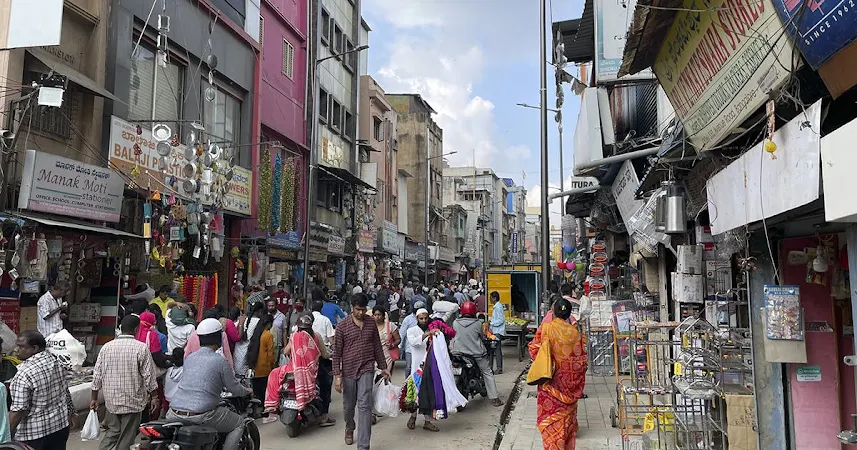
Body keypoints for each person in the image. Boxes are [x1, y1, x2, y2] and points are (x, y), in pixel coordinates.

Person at [166, 319, 252, 450]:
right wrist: (247, 391)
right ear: (218, 338)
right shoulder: (220, 361)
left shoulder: (190, 358)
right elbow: (233, 387)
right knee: (239, 423)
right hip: (202, 415)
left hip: (173, 412)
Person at [91, 315, 159, 450]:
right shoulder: (141, 348)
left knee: (113, 432)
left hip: (112, 400)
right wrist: (155, 397)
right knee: (127, 435)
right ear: (135, 329)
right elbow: (149, 377)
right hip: (133, 401)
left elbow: (97, 375)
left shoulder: (106, 347)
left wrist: (94, 398)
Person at [528, 298, 587, 449]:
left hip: (551, 387)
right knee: (567, 430)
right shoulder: (576, 333)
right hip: (571, 390)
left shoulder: (547, 329)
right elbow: (582, 362)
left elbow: (534, 351)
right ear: (568, 315)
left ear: (553, 312)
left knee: (551, 431)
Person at [333, 294, 390, 448]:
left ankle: (364, 445)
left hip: (367, 368)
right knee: (348, 406)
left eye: (363, 310)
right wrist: (337, 376)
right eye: (358, 309)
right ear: (352, 308)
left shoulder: (371, 323)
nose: (360, 313)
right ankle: (349, 427)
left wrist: (384, 367)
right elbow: (336, 353)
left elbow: (377, 346)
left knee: (365, 406)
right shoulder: (342, 326)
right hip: (348, 371)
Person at [9, 330, 76, 449]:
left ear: (34, 348)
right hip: (59, 426)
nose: (16, 350)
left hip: (34, 434)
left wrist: (5, 434)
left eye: (21, 347)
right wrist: (71, 412)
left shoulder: (24, 374)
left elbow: (19, 410)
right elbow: (65, 390)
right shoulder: (57, 361)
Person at [264, 315, 323, 417]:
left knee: (274, 373)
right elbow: (322, 354)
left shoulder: (295, 337)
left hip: (292, 368)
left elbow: (286, 351)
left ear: (299, 327)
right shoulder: (316, 337)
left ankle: (272, 403)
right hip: (310, 371)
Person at [452, 302, 504, 407]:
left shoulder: (455, 323)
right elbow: (482, 336)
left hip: (458, 352)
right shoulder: (477, 324)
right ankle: (495, 398)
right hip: (476, 354)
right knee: (487, 372)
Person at [311, 301, 336, 426]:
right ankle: (324, 416)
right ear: (321, 309)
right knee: (326, 387)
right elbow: (331, 340)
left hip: (305, 360)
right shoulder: (325, 320)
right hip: (323, 359)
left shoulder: (300, 325)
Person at [248, 315, 276, 401]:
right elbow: (270, 354)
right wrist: (273, 366)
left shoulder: (257, 333)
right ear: (269, 324)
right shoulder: (268, 335)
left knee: (257, 393)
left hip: (255, 367)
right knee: (265, 393)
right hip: (265, 368)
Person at [234, 302, 265, 377]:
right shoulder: (259, 322)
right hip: (248, 352)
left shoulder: (242, 320)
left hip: (237, 352)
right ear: (260, 312)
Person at [399, 300, 426, 378]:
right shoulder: (408, 319)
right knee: (409, 367)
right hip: (410, 349)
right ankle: (407, 386)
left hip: (422, 348)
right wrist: (400, 347)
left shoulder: (426, 319)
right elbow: (402, 333)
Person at [373, 306, 401, 373]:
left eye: (379, 315)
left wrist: (392, 345)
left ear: (383, 316)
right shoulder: (370, 326)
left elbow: (398, 339)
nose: (377, 317)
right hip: (374, 355)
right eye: (375, 315)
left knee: (386, 375)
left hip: (387, 354)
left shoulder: (390, 326)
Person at [489, 291, 506, 374]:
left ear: (495, 298)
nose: (490, 300)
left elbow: (501, 320)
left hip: (497, 331)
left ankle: (498, 368)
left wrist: (491, 323)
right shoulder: (496, 306)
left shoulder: (498, 307)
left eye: (491, 298)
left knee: (495, 349)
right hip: (495, 331)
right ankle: (492, 368)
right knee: (494, 349)